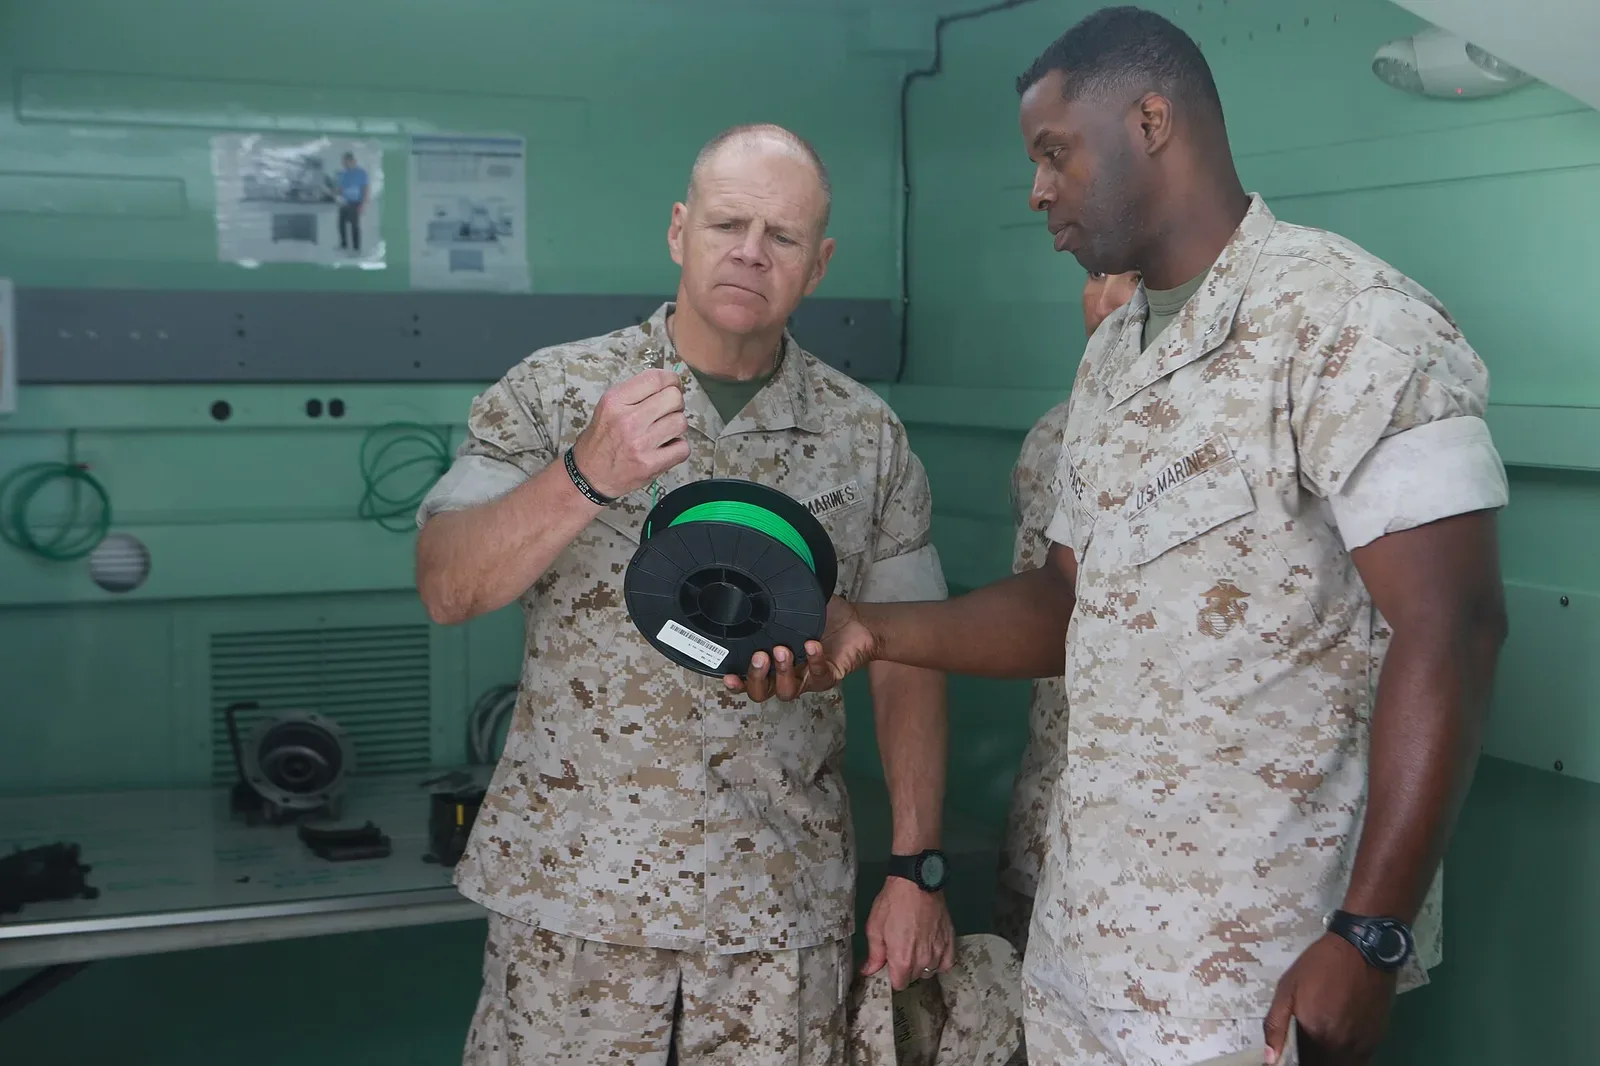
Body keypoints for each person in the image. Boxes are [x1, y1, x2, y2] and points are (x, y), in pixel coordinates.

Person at [731, 8, 1510, 1065]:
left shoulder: (1349, 320)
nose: (1036, 189)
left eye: (1055, 153)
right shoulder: (1116, 354)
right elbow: (1065, 602)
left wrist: (1370, 934)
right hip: (1089, 958)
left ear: (1150, 122)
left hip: (1253, 968)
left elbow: (1454, 625)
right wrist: (868, 629)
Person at [415, 123, 955, 1066]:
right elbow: (448, 586)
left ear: (819, 264)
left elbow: (911, 656)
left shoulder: (865, 438)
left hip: (773, 918)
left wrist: (917, 866)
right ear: (679, 230)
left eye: (782, 236)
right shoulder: (557, 392)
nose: (750, 252)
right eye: (726, 224)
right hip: (575, 912)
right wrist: (584, 474)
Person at [992, 270, 1138, 1066]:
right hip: (1054, 827)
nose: (1107, 300)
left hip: (1208, 862)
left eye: (1136, 277)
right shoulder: (1055, 438)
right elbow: (1042, 623)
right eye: (1094, 277)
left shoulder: (1257, 423)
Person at [336, 151, 368, 252]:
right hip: (344, 202)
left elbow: (365, 189)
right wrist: (336, 192)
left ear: (352, 161)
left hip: (355, 202)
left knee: (354, 226)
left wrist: (363, 204)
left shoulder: (361, 173)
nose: (345, 164)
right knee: (341, 225)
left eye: (346, 162)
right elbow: (341, 189)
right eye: (344, 163)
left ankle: (356, 248)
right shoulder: (343, 174)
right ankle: (344, 245)